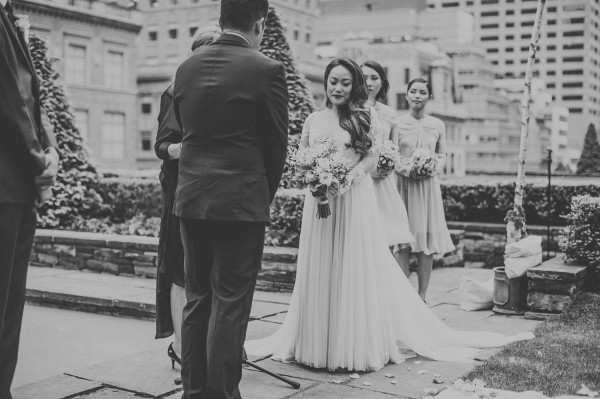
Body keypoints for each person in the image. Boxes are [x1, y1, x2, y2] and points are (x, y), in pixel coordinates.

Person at [245, 58, 533, 373]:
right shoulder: (313, 119)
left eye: (344, 82)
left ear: (353, 85)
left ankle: (349, 344)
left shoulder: (363, 117)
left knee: (351, 268)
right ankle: (314, 342)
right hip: (318, 204)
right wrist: (313, 179)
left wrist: (344, 179)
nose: (338, 88)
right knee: (320, 267)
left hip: (353, 202)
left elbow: (370, 158)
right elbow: (302, 156)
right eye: (333, 82)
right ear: (326, 85)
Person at [172, 0, 288, 397]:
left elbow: (187, 133)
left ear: (221, 19)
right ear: (260, 22)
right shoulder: (267, 69)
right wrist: (260, 195)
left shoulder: (186, 68)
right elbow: (276, 149)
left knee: (197, 297)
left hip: (191, 199)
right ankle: (222, 394)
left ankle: (193, 392)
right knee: (231, 301)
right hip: (242, 202)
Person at [0, 1, 60, 397]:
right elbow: (11, 104)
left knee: (10, 308)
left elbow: (33, 101)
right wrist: (41, 163)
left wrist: (52, 147)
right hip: (7, 189)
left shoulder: (8, 19)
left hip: (16, 190)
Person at [154, 25, 221, 370]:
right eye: (204, 53)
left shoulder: (224, 92)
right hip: (180, 191)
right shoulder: (174, 91)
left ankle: (208, 347)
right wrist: (185, 148)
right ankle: (181, 350)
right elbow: (161, 146)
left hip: (214, 193)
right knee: (180, 270)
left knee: (210, 273)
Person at [395, 78, 455, 303]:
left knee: (426, 241)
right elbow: (391, 154)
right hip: (404, 186)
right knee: (402, 240)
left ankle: (422, 295)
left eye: (422, 92)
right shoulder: (397, 123)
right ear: (407, 95)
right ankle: (403, 296)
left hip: (428, 188)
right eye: (413, 91)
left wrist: (432, 168)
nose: (418, 95)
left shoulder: (438, 124)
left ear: (429, 97)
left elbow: (442, 154)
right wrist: (407, 169)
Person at [361, 60, 413, 270]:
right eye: (364, 77)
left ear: (382, 83)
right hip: (362, 178)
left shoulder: (390, 114)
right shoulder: (352, 110)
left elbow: (394, 148)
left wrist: (390, 165)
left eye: (374, 78)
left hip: (384, 181)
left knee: (389, 234)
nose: (369, 83)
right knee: (364, 235)